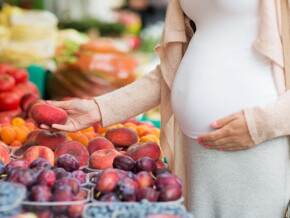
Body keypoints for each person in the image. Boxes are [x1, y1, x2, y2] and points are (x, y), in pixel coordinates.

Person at [42, 0, 290, 217]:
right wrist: (99, 108)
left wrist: (262, 124)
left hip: (256, 143)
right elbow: (172, 68)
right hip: (193, 147)